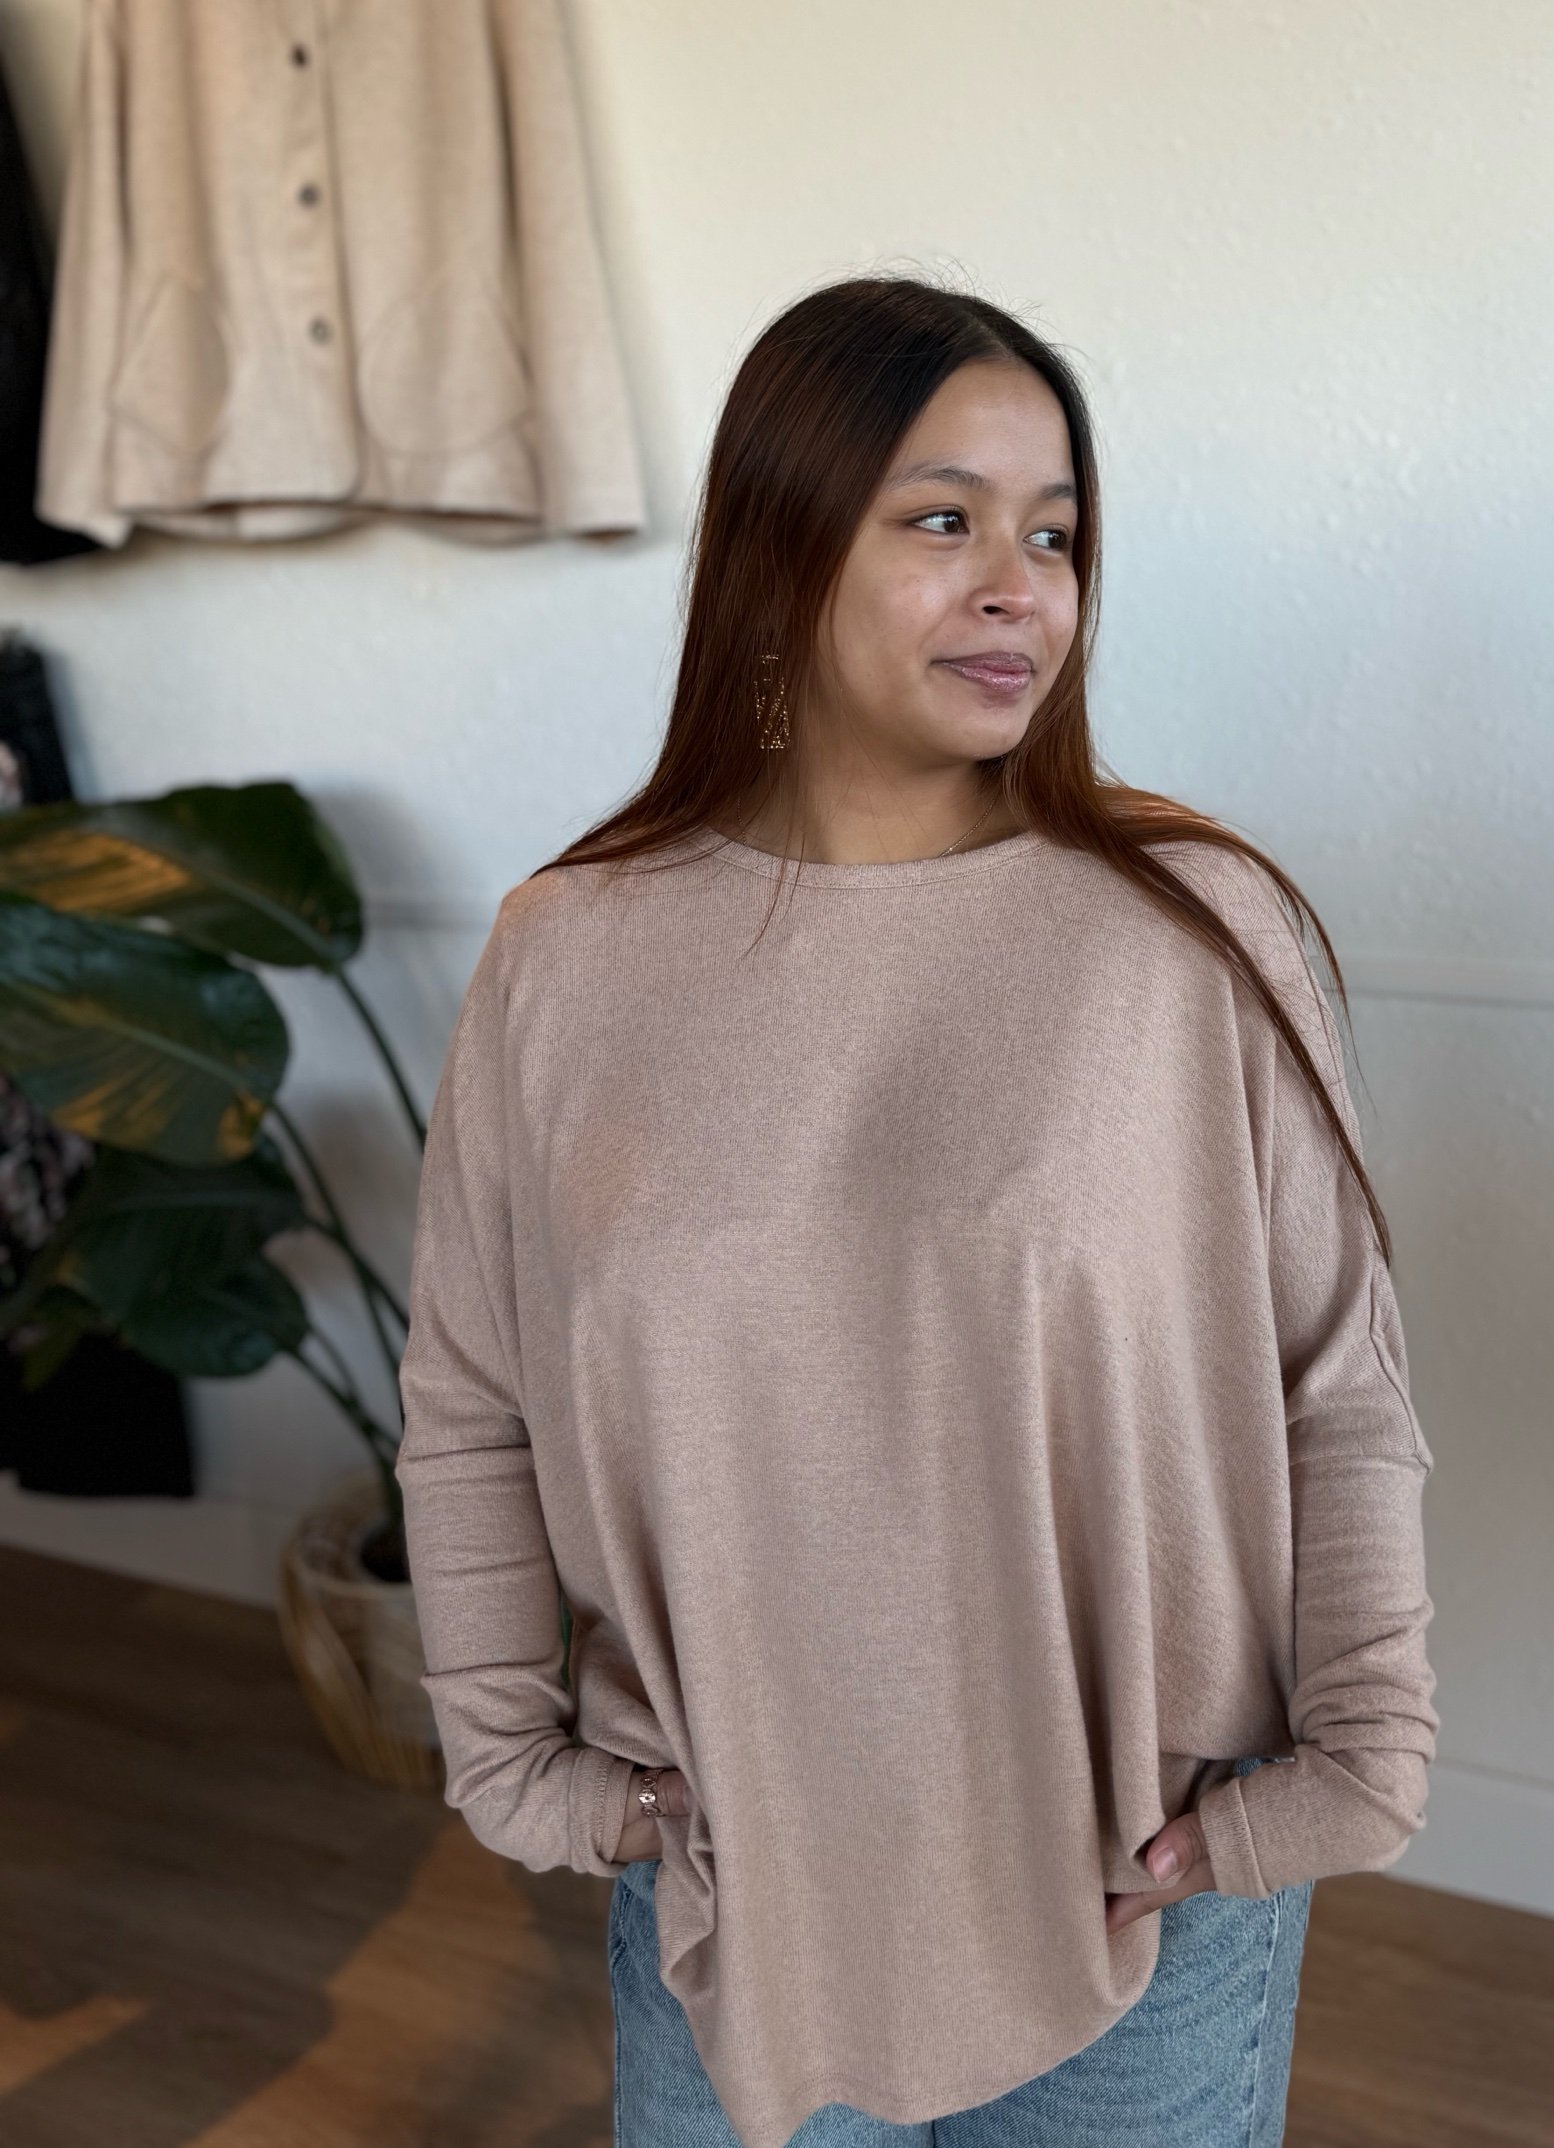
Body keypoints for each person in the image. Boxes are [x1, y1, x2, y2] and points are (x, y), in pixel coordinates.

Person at [397, 274, 1438, 2148]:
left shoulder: (1192, 931)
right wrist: (512, 1759)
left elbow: (1335, 1384)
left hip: (1150, 1883)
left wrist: (1354, 1762)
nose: (1019, 586)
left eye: (1055, 534)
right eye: (944, 520)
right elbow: (472, 1403)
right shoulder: (569, 954)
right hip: (734, 1893)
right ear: (778, 546)